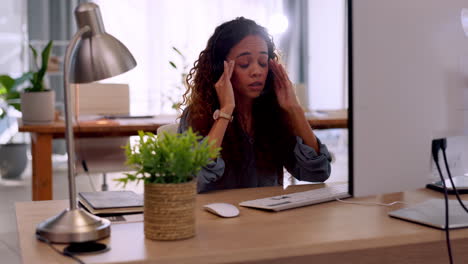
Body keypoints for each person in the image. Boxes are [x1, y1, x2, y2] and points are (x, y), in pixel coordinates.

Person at [178, 17, 331, 193]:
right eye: (244, 64)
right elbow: (194, 181)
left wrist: (294, 109)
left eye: (263, 63)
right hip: (218, 218)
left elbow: (319, 173)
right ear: (220, 68)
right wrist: (226, 111)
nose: (257, 71)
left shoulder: (273, 113)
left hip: (269, 217)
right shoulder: (198, 115)